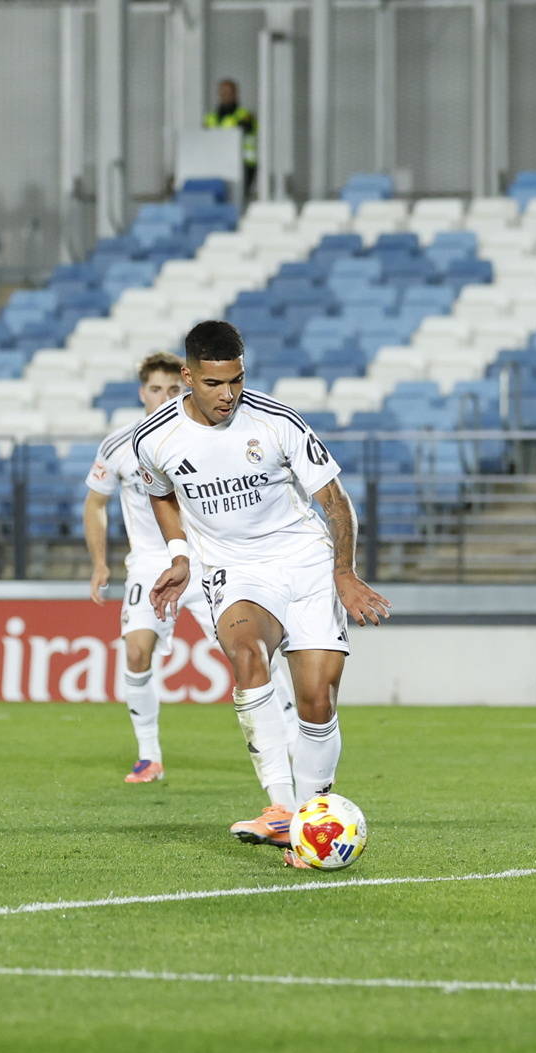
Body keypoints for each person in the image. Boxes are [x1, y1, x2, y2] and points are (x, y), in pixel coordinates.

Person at [137, 320, 390, 866]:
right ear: (187, 376)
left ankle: (311, 814)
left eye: (236, 380)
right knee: (247, 654)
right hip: (234, 569)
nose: (228, 395)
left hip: (303, 562)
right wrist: (181, 555)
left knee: (316, 702)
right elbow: (161, 495)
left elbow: (336, 501)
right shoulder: (154, 437)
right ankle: (281, 808)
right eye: (213, 383)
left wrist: (343, 573)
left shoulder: (277, 422)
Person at [85, 352, 298, 784]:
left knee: (253, 652)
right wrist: (99, 563)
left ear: (184, 387)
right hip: (149, 564)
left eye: (172, 389)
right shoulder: (121, 443)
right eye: (155, 389)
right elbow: (95, 502)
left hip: (206, 561)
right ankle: (149, 756)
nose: (164, 396)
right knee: (137, 650)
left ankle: (293, 741)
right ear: (142, 392)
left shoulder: (206, 436)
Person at [204, 79, 258, 198]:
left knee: (238, 199)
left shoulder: (245, 115)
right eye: (223, 93)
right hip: (216, 164)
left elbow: (244, 129)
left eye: (229, 93)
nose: (226, 97)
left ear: (236, 95)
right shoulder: (210, 118)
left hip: (243, 165)